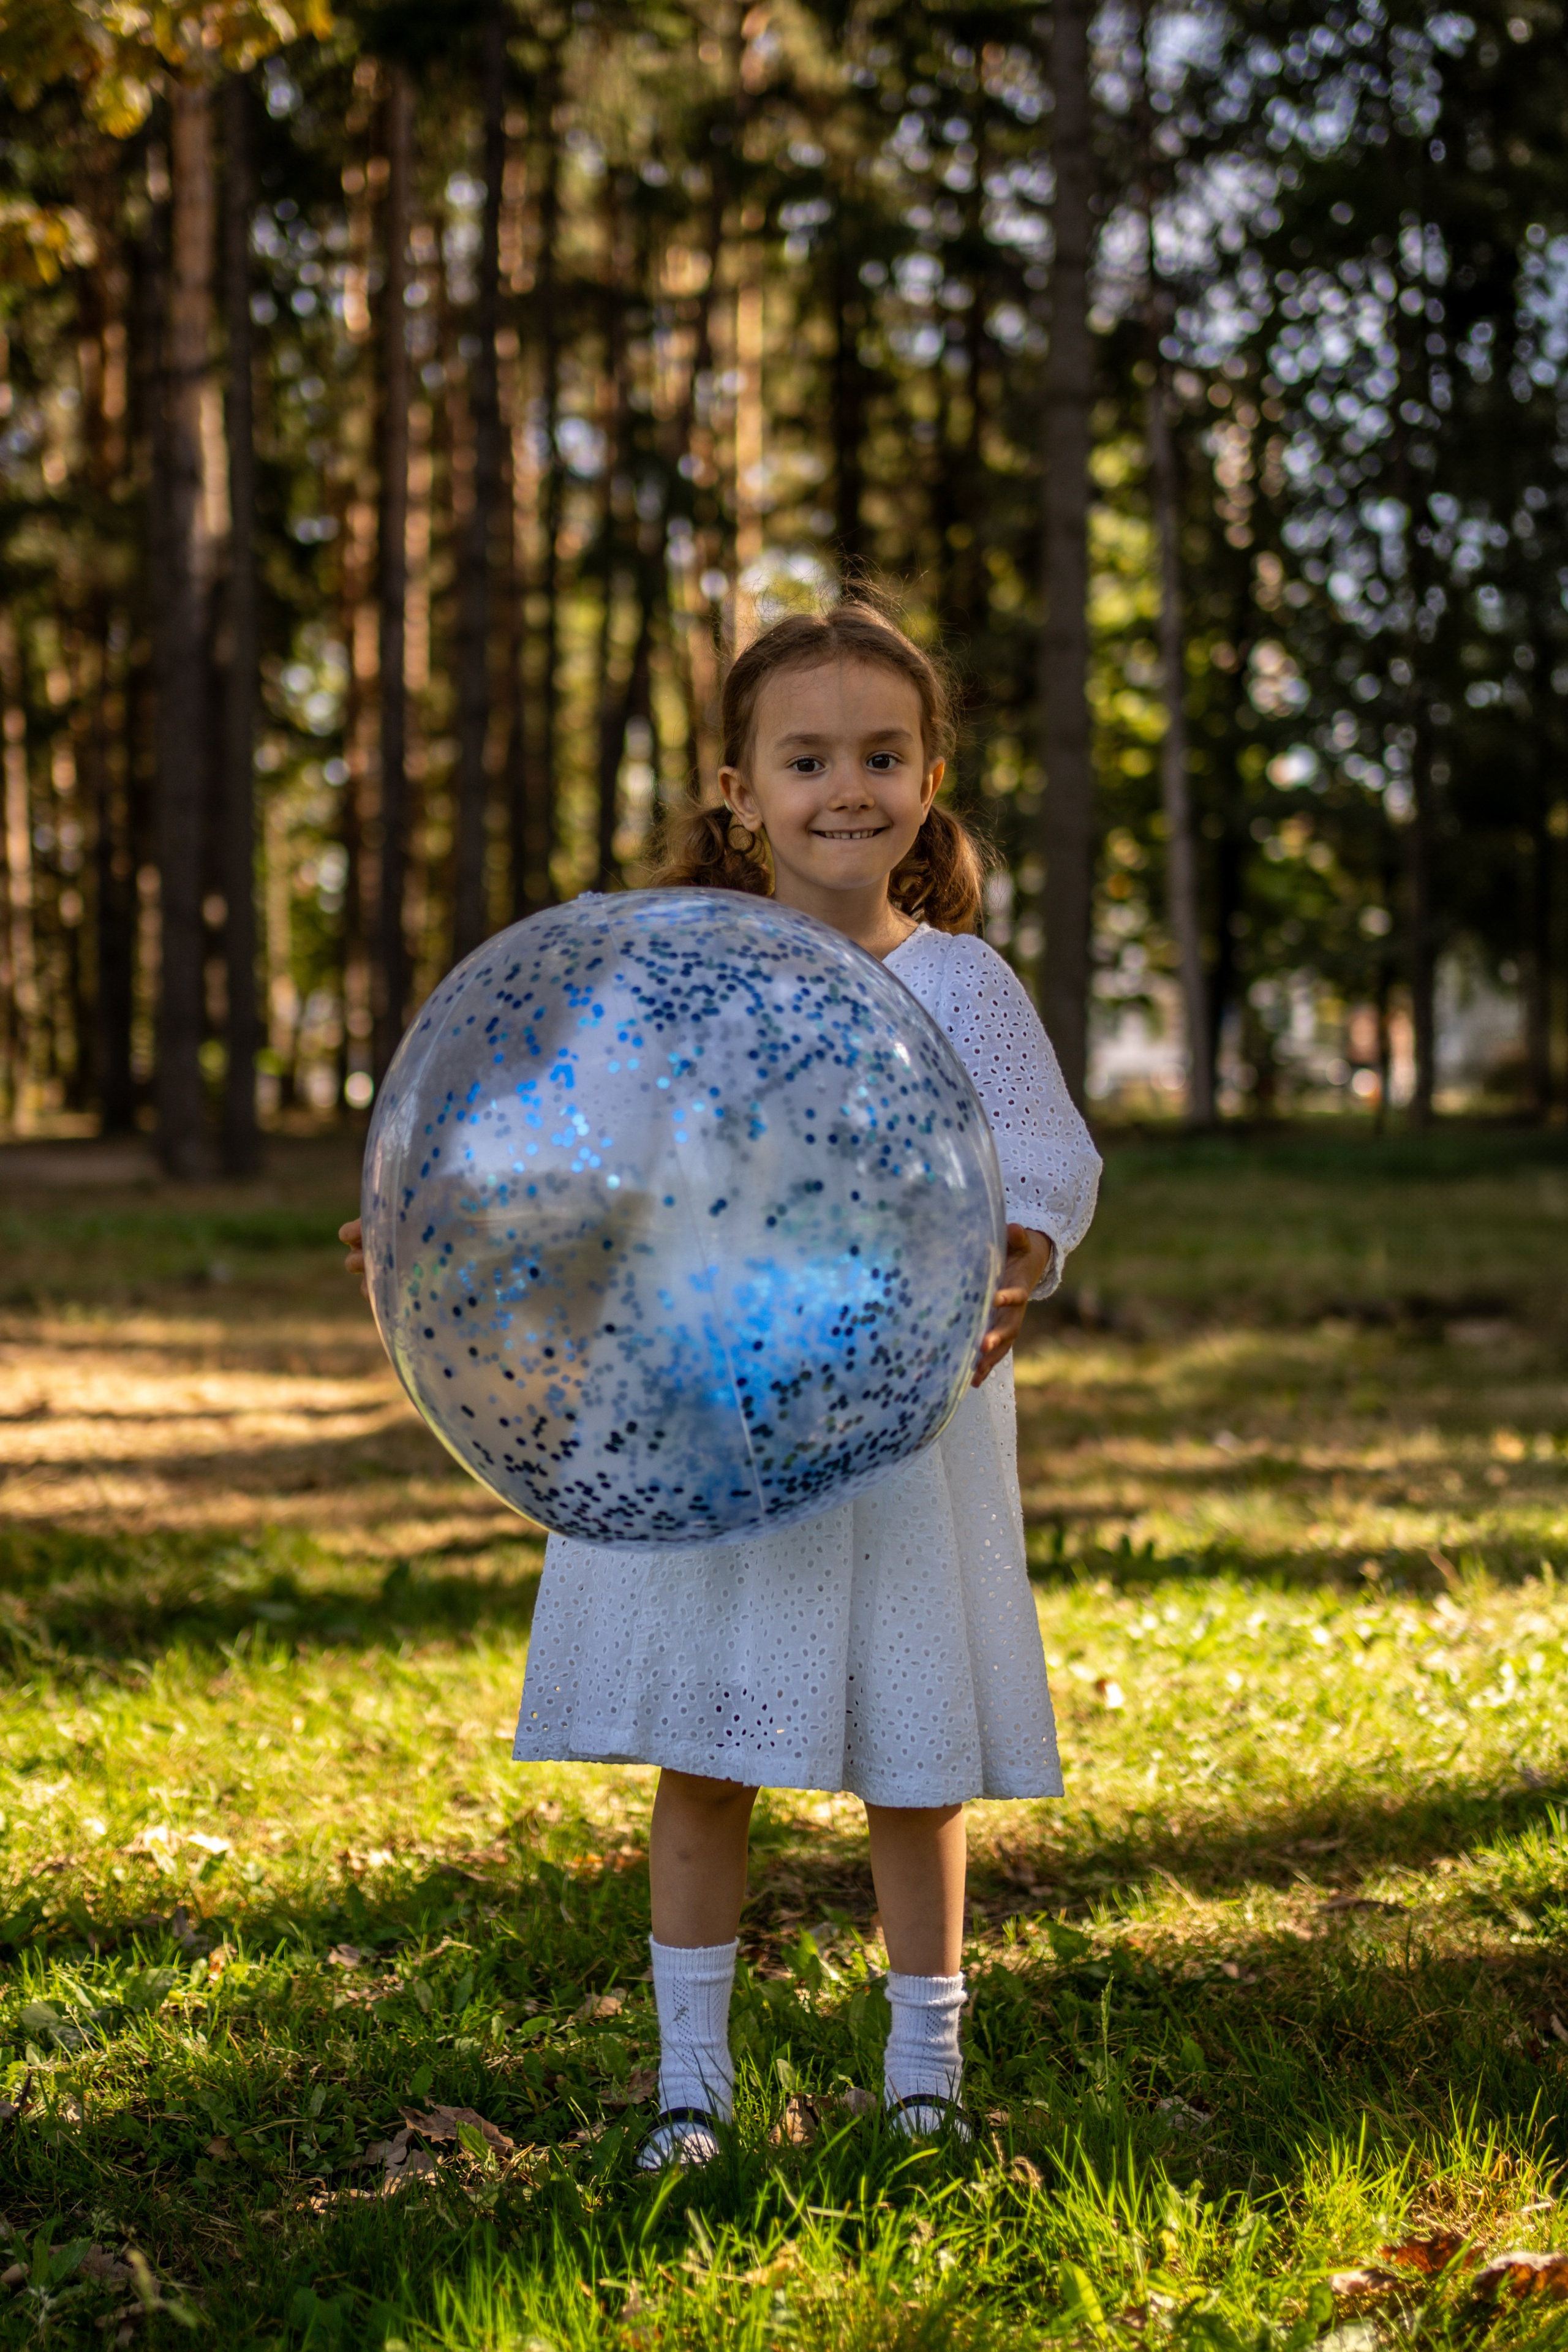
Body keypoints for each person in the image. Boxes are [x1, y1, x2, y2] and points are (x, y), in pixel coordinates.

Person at [341, 598, 1101, 2170]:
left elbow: (1043, 1153)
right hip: (699, 1411)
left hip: (897, 1425)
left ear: (929, 779)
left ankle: (925, 2082)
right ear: (740, 791)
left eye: (880, 756)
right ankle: (691, 2091)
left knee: (914, 1766)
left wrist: (1019, 1245)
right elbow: (573, 1154)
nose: (846, 789)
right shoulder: (664, 977)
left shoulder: (962, 986)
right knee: (703, 1757)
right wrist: (444, 1220)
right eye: (805, 759)